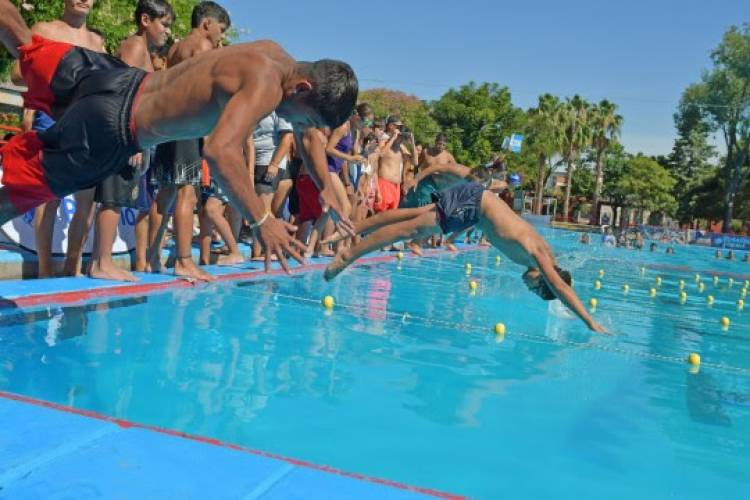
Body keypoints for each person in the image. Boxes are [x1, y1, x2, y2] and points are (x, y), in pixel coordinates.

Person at [0, 0, 357, 272]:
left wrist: (326, 186)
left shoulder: (273, 55)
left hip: (116, 79)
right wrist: (261, 220)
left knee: (23, 42)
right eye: (307, 117)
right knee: (19, 195)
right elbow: (219, 150)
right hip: (117, 127)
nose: (301, 126)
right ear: (303, 89)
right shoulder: (267, 87)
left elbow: (307, 135)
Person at [322, 178, 606, 333]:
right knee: (408, 231)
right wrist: (589, 321)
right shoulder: (540, 259)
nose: (528, 288)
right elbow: (561, 286)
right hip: (474, 207)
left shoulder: (544, 253)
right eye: (535, 289)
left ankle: (351, 229)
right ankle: (349, 254)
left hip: (476, 202)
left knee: (413, 215)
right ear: (543, 279)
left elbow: (559, 283)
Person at [88, 0, 174, 282]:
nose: (168, 32)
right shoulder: (135, 46)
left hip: (135, 137)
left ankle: (102, 261)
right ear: (146, 20)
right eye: (165, 24)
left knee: (119, 198)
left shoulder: (145, 52)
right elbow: (120, 94)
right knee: (111, 198)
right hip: (125, 136)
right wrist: (131, 140)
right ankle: (101, 263)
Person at [150, 0, 231, 281]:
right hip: (186, 127)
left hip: (167, 127)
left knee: (165, 194)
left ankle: (151, 257)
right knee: (187, 192)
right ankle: (184, 260)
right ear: (207, 24)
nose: (220, 36)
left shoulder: (174, 48)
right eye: (220, 30)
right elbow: (209, 92)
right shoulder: (203, 48)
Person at [23, 0, 105, 278]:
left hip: (87, 127)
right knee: (48, 199)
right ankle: (45, 270)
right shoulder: (44, 29)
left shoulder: (96, 41)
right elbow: (20, 72)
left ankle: (73, 267)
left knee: (87, 203)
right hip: (53, 121)